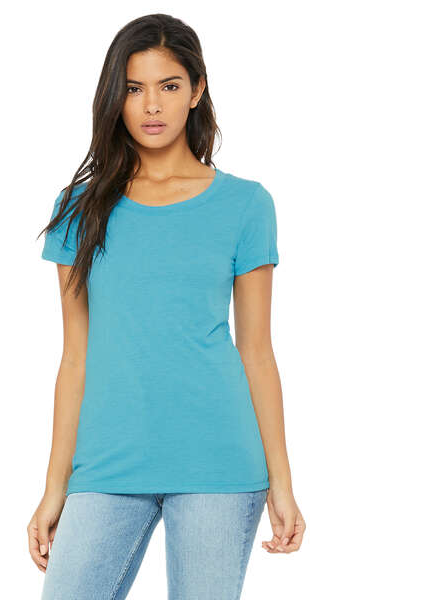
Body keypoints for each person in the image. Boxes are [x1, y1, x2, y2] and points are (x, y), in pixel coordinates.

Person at [28, 13, 306, 599]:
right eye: (134, 88)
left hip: (219, 463)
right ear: (115, 97)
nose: (151, 105)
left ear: (196, 90)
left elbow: (257, 353)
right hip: (107, 463)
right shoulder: (80, 209)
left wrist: (282, 482)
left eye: (169, 85)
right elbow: (75, 358)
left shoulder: (245, 205)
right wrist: (56, 487)